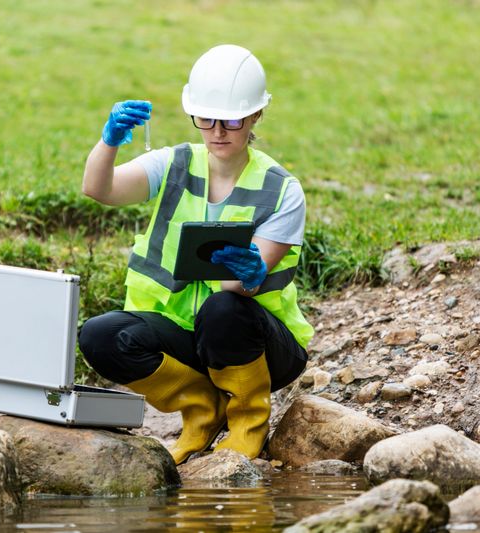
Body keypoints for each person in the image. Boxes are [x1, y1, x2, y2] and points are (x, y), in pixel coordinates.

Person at [79, 44, 313, 465]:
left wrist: (252, 271)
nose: (218, 131)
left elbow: (232, 289)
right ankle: (203, 410)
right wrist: (108, 142)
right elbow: (100, 189)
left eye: (232, 120)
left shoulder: (283, 191)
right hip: (186, 339)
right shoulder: (173, 164)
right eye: (206, 118)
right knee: (98, 336)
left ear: (256, 115)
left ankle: (247, 422)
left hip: (259, 345)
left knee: (223, 308)